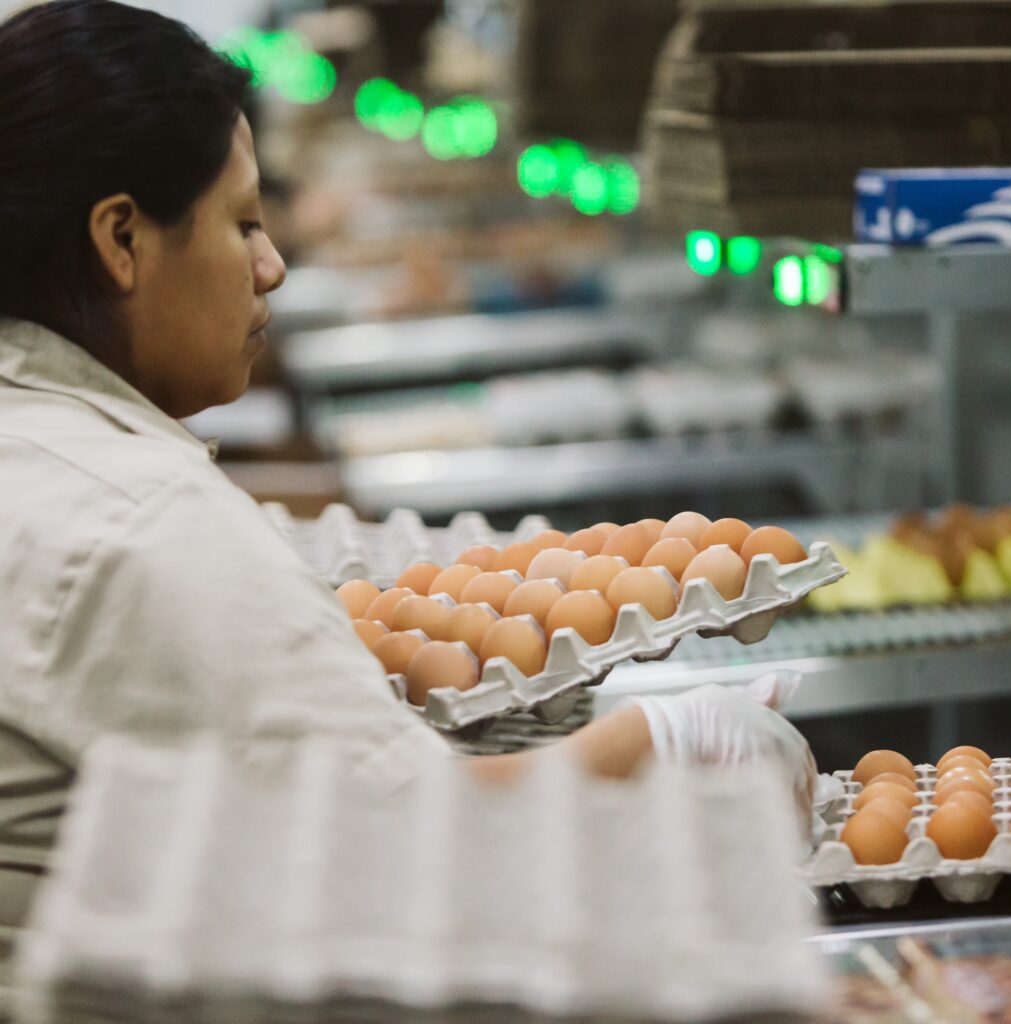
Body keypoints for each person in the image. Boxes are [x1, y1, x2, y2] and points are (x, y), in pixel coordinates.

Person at [0, 0, 817, 1000]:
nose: (273, 264)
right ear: (121, 237)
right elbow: (425, 862)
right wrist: (667, 740)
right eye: (242, 221)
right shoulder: (140, 520)